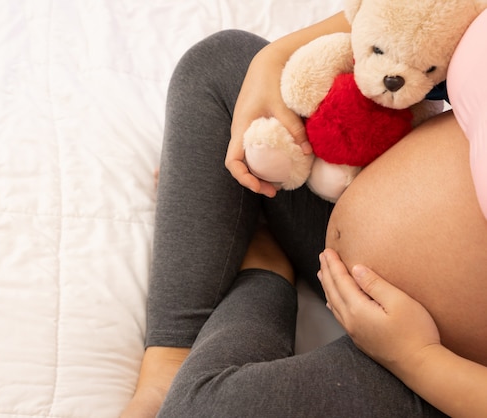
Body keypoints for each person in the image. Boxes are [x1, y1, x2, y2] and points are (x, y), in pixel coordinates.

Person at [121, 9, 487, 418]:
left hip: (440, 364)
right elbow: (413, 16)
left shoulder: (421, 358)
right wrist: (271, 61)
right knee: (221, 63)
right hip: (345, 203)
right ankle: (169, 362)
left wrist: (419, 357)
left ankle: (265, 259)